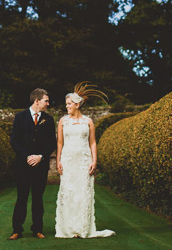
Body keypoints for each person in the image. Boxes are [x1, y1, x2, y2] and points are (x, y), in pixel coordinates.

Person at [55, 82, 115, 238]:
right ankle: (68, 229)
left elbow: (93, 142)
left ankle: (83, 228)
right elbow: (60, 143)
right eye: (66, 104)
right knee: (68, 193)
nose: (66, 106)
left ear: (77, 104)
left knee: (83, 193)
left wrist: (94, 161)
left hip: (83, 162)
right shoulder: (63, 121)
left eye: (69, 104)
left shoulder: (88, 121)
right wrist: (58, 161)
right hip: (68, 161)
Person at [9, 88, 57, 240]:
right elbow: (14, 141)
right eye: (46, 101)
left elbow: (52, 143)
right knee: (21, 197)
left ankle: (37, 229)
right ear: (37, 101)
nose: (48, 104)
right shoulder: (20, 117)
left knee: (38, 198)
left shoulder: (49, 120)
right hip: (23, 165)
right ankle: (17, 230)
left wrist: (41, 156)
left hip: (40, 166)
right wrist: (27, 156)